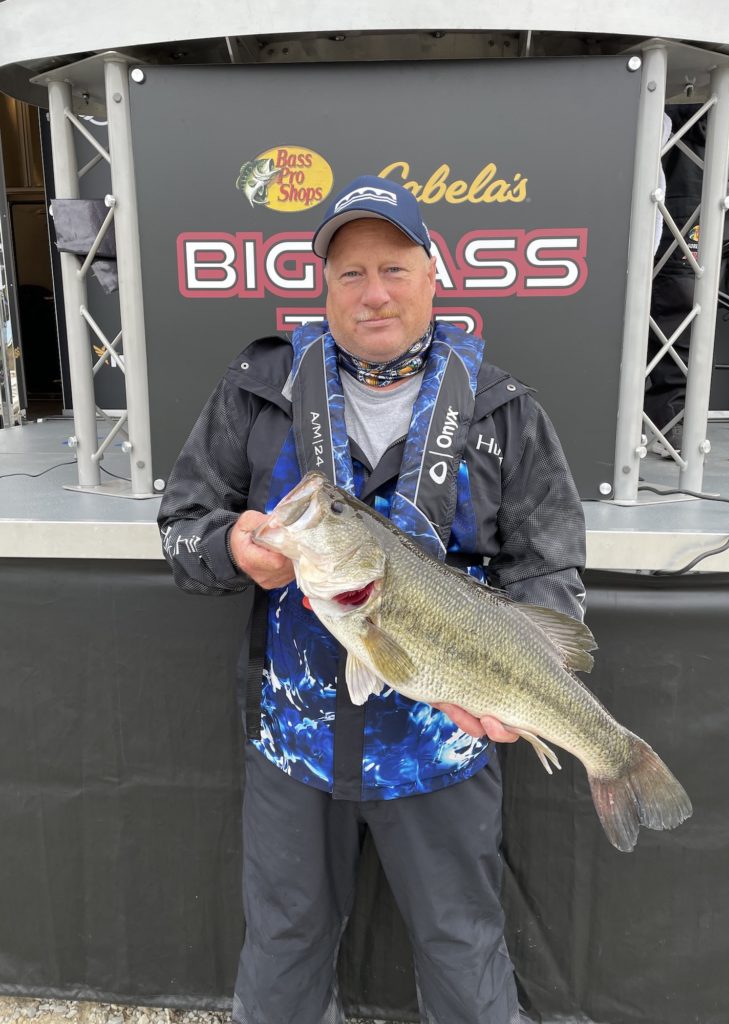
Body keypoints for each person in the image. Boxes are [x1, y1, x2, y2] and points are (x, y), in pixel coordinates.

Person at [158, 175, 587, 1024]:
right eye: (350, 274)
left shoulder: (503, 411)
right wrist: (229, 551)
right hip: (295, 747)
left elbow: (550, 567)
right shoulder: (259, 392)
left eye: (393, 268)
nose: (374, 293)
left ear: (433, 277)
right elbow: (183, 522)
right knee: (281, 951)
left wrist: (519, 687)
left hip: (443, 746)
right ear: (324, 288)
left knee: (464, 951)